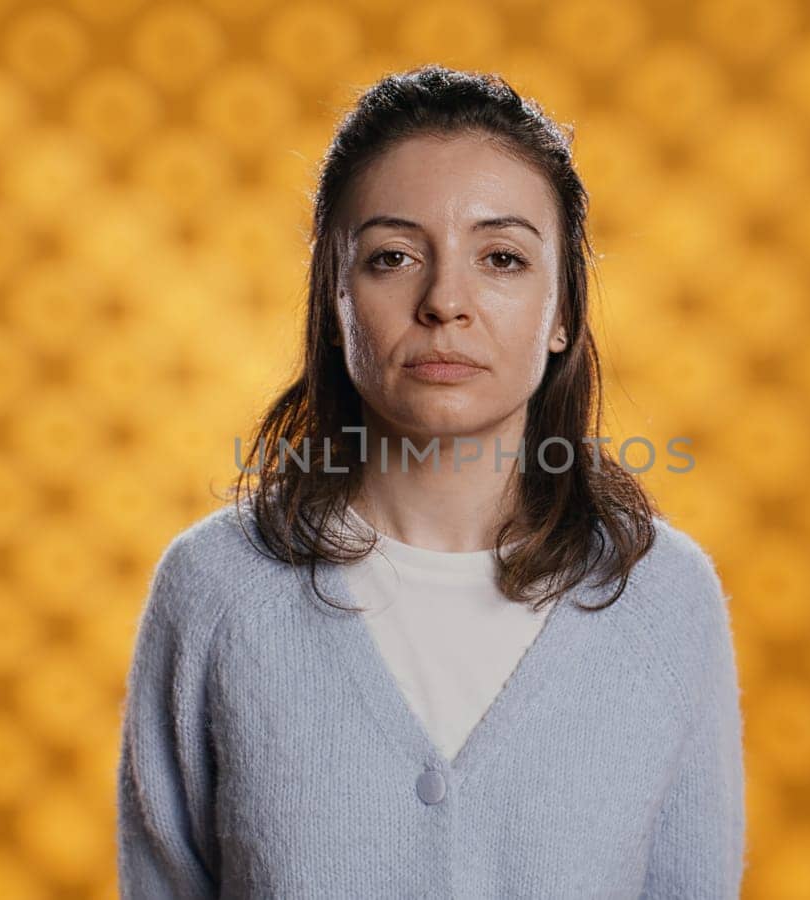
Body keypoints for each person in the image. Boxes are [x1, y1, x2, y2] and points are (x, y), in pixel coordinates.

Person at [117, 64, 746, 898]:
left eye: (501, 257)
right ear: (336, 302)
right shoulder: (215, 592)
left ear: (562, 312)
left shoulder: (664, 599)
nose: (446, 300)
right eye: (392, 256)